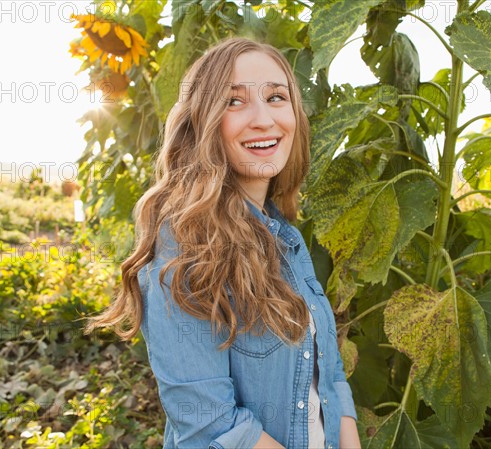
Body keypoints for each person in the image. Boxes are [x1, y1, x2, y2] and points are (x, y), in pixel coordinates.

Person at [84, 37, 361, 449]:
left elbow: (331, 375)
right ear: (202, 121)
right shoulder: (184, 249)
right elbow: (211, 424)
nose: (263, 119)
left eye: (276, 97)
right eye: (235, 102)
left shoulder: (286, 236)